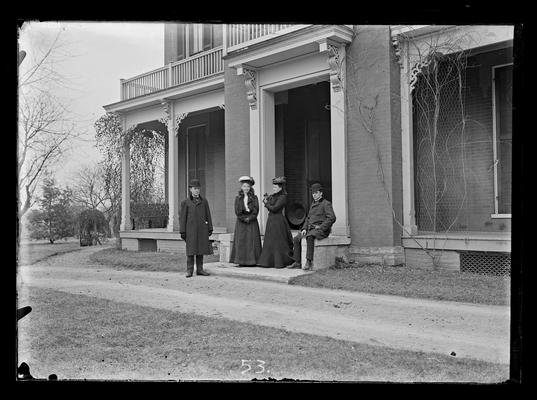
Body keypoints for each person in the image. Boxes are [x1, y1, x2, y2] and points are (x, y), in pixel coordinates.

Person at [289, 183, 336, 270]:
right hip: (310, 228)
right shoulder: (313, 204)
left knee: (309, 237)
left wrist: (321, 227)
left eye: (316, 193)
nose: (314, 195)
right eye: (313, 193)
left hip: (321, 230)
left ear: (321, 193)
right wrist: (304, 228)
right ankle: (297, 262)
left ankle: (308, 261)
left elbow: (332, 218)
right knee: (296, 238)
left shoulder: (326, 204)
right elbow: (308, 218)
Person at [257, 176, 295, 268]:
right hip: (271, 221)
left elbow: (274, 208)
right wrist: (266, 199)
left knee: (278, 241)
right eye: (273, 187)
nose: (273, 189)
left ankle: (279, 261)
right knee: (270, 241)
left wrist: (266, 203)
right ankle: (268, 261)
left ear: (280, 188)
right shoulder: (274, 196)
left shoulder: (283, 197)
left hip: (278, 221)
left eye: (275, 187)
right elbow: (269, 202)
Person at [179, 179, 213, 278]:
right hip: (191, 231)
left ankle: (200, 269)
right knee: (191, 251)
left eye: (198, 189)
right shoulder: (185, 202)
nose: (197, 190)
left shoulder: (204, 201)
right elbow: (182, 218)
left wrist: (210, 228)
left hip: (202, 230)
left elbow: (208, 215)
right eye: (195, 189)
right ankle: (189, 271)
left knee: (200, 250)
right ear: (190, 189)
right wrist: (182, 231)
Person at [229, 176, 262, 266]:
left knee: (252, 241)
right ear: (241, 187)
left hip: (252, 221)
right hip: (241, 222)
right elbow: (237, 211)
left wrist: (250, 218)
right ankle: (241, 261)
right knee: (242, 240)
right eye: (244, 186)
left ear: (250, 187)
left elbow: (256, 210)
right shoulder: (238, 198)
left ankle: (253, 261)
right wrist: (243, 218)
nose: (246, 188)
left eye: (247, 186)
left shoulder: (254, 198)